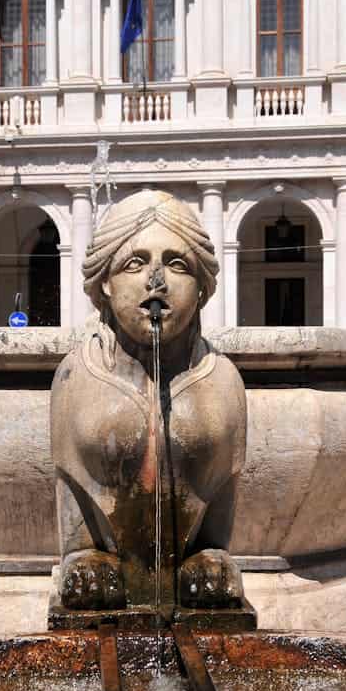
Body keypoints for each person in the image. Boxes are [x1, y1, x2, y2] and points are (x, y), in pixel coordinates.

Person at [51, 190, 247, 614]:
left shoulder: (224, 378)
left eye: (177, 264)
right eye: (134, 263)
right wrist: (80, 555)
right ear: (105, 281)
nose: (155, 281)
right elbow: (69, 487)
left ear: (201, 289)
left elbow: (225, 487)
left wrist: (212, 554)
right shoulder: (75, 374)